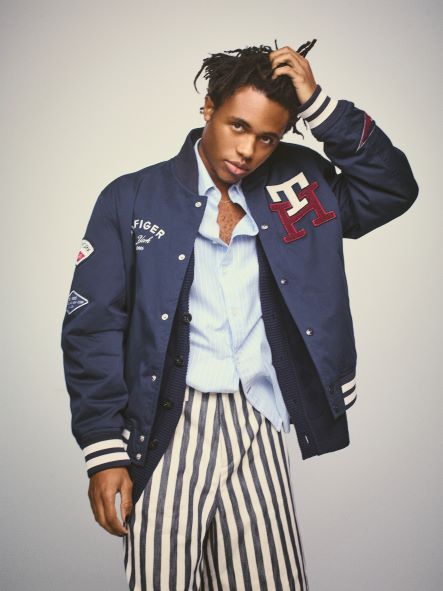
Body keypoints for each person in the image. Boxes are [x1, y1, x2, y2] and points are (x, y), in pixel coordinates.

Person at [61, 40, 419, 591]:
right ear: (209, 107)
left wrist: (320, 107)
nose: (249, 149)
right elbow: (93, 328)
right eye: (238, 126)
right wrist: (103, 451)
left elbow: (392, 187)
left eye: (268, 137)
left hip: (260, 418)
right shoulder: (132, 198)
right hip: (166, 425)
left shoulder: (301, 185)